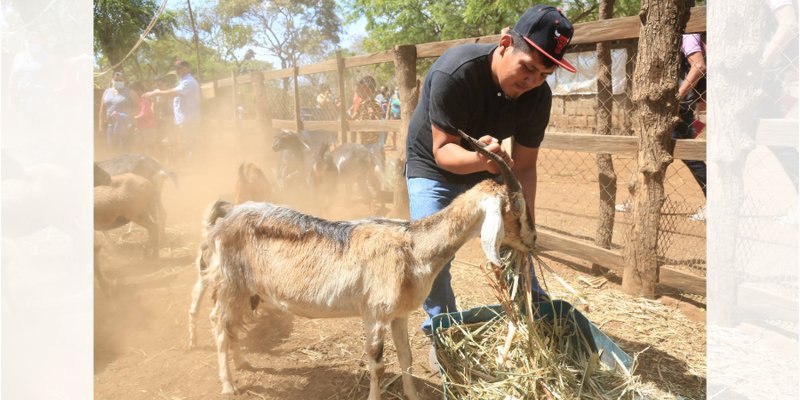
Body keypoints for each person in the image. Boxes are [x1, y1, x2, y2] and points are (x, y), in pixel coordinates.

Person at [404, 4, 576, 349]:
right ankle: (445, 333)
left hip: (488, 164)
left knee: (518, 246)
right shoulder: (457, 73)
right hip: (433, 165)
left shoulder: (537, 98)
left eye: (544, 74)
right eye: (527, 68)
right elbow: (443, 151)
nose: (531, 82)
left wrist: (524, 223)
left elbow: (525, 167)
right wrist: (483, 162)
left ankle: (536, 319)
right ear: (504, 43)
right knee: (432, 253)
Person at [616, 33, 708, 221]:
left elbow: (698, 66)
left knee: (686, 154)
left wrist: (677, 97)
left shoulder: (688, 34)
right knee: (651, 147)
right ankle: (638, 197)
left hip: (677, 106)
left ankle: (716, 201)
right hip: (677, 104)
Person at [143, 60, 201, 161]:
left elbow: (172, 93)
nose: (176, 70)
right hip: (186, 119)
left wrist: (155, 93)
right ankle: (192, 162)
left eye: (178, 68)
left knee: (190, 143)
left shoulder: (188, 82)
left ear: (186, 68)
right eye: (176, 68)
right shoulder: (184, 81)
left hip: (189, 119)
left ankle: (194, 164)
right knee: (187, 142)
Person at [99, 71, 138, 152]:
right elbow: (102, 110)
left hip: (125, 126)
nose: (118, 82)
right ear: (112, 80)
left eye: (121, 80)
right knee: (112, 150)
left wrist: (125, 116)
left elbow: (138, 109)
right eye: (116, 80)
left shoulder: (130, 92)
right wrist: (101, 127)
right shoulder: (106, 92)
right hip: (110, 125)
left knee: (125, 151)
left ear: (124, 81)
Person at [130, 81, 157, 152]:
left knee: (148, 148)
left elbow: (143, 113)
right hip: (143, 127)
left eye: (133, 91)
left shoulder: (144, 99)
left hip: (147, 128)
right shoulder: (140, 99)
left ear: (138, 90)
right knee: (142, 147)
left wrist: (132, 118)